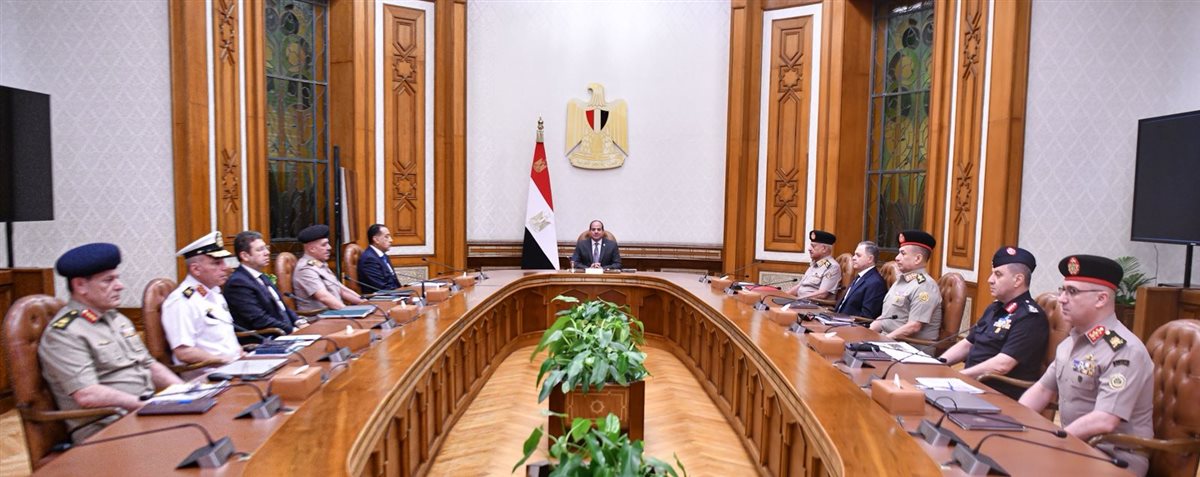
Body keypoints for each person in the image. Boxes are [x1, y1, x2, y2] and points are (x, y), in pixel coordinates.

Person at [1018, 255, 1154, 477]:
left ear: (1101, 299)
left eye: (1072, 292)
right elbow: (1042, 390)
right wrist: (1014, 422)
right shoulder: (1071, 342)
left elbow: (1105, 420)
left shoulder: (1124, 350)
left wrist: (1054, 441)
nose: (1062, 299)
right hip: (1075, 446)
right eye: (1062, 290)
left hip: (1114, 459)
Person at [39, 243, 183, 441]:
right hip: (103, 428)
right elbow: (87, 395)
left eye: (117, 278)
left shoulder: (117, 319)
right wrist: (145, 405)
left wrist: (186, 391)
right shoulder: (64, 333)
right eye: (108, 280)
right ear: (80, 285)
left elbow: (149, 365)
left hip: (139, 414)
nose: (119, 286)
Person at [939, 246, 1049, 399]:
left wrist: (959, 376)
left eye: (998, 274)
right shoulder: (995, 308)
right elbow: (968, 344)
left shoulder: (1030, 317)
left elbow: (1002, 365)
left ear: (1018, 280)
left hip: (997, 394)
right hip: (971, 385)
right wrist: (938, 363)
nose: (990, 280)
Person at [161, 231, 243, 368]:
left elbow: (225, 339)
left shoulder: (214, 292)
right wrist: (222, 361)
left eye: (223, 261)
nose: (225, 267)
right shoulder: (182, 302)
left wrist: (239, 353)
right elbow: (184, 352)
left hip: (233, 367)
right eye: (217, 263)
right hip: (210, 374)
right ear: (196, 269)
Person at [224, 230, 304, 340]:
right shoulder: (238, 283)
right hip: (265, 339)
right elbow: (260, 320)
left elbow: (282, 306)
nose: (267, 252)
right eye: (260, 250)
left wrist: (299, 322)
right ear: (245, 256)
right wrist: (292, 330)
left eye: (266, 248)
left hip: (284, 333)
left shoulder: (261, 276)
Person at [869, 230, 942, 347]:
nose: (897, 258)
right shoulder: (902, 280)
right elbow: (885, 317)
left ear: (917, 259)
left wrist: (882, 342)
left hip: (909, 348)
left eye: (903, 254)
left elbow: (914, 326)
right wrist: (866, 334)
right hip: (889, 342)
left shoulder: (924, 286)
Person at [293, 224, 366, 313]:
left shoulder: (319, 264)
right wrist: (348, 312)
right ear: (312, 249)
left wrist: (365, 303)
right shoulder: (305, 270)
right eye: (324, 245)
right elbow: (324, 297)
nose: (329, 247)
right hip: (318, 318)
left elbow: (342, 290)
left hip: (335, 313)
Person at [833, 241, 886, 318]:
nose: (853, 258)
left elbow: (866, 316)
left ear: (870, 259)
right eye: (854, 255)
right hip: (838, 319)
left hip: (850, 323)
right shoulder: (861, 276)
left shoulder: (875, 283)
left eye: (858, 255)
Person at [786, 230, 842, 300]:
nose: (809, 249)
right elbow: (800, 287)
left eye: (813, 246)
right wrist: (783, 296)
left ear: (824, 249)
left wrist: (797, 299)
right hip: (801, 301)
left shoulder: (832, 267)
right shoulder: (815, 263)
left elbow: (822, 294)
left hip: (814, 304)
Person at [357, 223, 401, 293]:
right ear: (376, 240)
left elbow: (394, 282)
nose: (391, 240)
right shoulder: (369, 260)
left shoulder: (383, 256)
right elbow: (381, 288)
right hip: (381, 297)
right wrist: (402, 293)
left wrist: (405, 291)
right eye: (386, 237)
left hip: (393, 294)